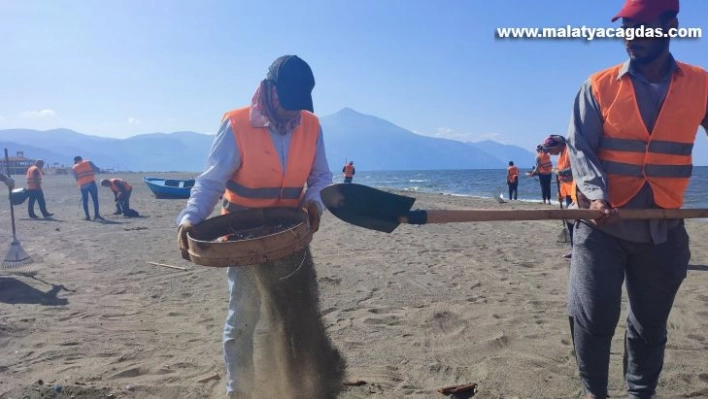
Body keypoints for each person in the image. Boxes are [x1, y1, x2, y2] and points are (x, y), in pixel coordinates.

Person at [176, 55, 345, 399]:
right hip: (242, 241)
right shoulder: (237, 125)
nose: (294, 114)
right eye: (289, 104)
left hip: (290, 239)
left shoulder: (310, 125)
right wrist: (190, 219)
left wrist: (315, 202)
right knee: (244, 319)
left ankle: (299, 383)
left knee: (294, 317)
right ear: (270, 90)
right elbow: (210, 182)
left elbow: (320, 176)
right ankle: (240, 392)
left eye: (301, 106)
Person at [565, 0, 708, 398]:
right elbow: (580, 149)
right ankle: (595, 393)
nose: (631, 37)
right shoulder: (599, 86)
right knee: (594, 320)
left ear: (671, 25)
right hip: (602, 228)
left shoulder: (701, 84)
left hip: (663, 230)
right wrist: (595, 196)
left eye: (642, 27)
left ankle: (640, 393)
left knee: (650, 325)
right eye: (626, 28)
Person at [542, 135, 575, 258]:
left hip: (575, 192)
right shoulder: (562, 154)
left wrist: (560, 172)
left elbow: (576, 169)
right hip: (566, 191)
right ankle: (574, 249)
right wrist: (560, 192)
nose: (549, 153)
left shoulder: (570, 151)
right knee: (570, 221)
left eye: (550, 150)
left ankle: (578, 249)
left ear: (558, 145)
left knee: (576, 221)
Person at [72, 156, 103, 221]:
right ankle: (96, 215)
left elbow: (76, 178)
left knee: (85, 201)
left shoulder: (74, 167)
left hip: (83, 186)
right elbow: (97, 170)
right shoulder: (88, 162)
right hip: (91, 183)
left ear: (75, 161)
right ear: (81, 159)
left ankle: (87, 216)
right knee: (95, 200)